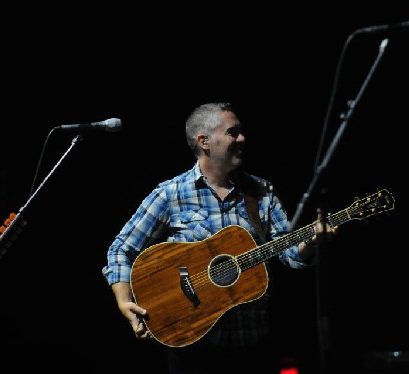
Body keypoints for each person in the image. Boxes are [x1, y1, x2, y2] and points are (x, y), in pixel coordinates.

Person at [102, 101, 338, 374]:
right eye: (233, 132)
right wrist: (123, 300)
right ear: (205, 141)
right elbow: (121, 248)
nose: (242, 138)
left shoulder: (261, 192)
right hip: (193, 346)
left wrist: (311, 241)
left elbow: (289, 254)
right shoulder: (170, 193)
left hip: (252, 345)